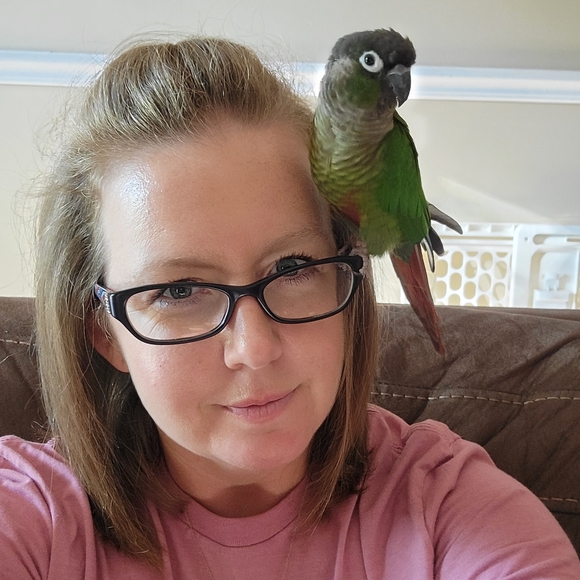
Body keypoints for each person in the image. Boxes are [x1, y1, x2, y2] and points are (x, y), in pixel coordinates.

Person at [0, 35, 579, 580]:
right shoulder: (32, 516)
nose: (254, 349)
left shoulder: (447, 505)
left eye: (292, 269)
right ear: (104, 331)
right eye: (178, 291)